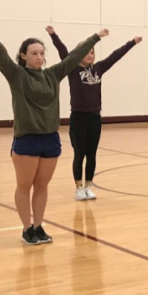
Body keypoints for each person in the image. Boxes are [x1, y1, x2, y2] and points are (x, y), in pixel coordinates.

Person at [0, 20, 107, 245]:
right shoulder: (16, 75)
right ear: (23, 56)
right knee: (24, 186)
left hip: (50, 139)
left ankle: (38, 226)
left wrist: (96, 37)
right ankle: (27, 229)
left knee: (42, 185)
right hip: (27, 139)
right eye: (33, 53)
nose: (39, 57)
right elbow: (0, 54)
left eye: (41, 53)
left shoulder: (52, 74)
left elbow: (75, 56)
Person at [46, 26, 140, 200]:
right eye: (87, 52)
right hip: (78, 118)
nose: (90, 55)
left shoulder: (98, 69)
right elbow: (63, 51)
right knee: (79, 153)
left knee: (92, 154)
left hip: (94, 117)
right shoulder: (72, 69)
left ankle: (88, 186)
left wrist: (132, 43)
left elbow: (115, 56)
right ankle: (78, 188)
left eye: (92, 52)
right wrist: (53, 35)